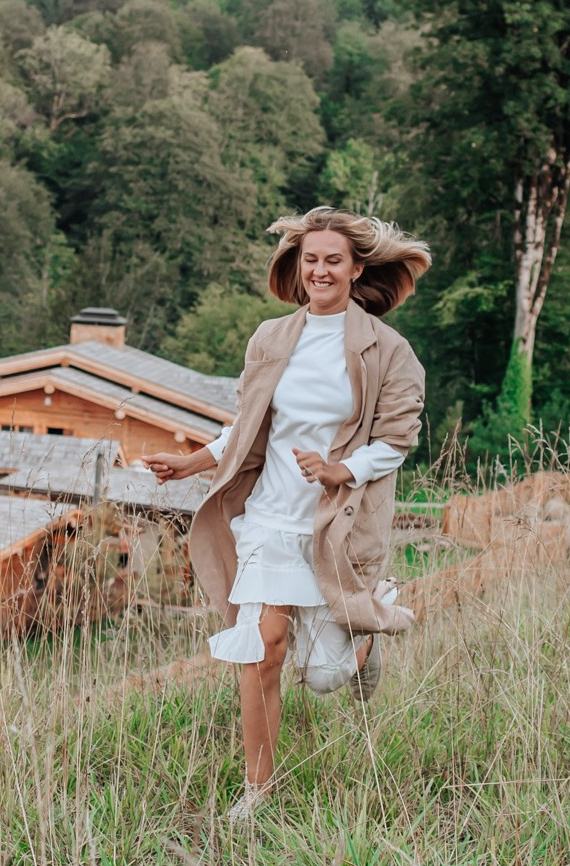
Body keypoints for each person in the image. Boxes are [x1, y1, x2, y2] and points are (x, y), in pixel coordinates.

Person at [147, 206, 430, 821]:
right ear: (297, 268)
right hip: (271, 518)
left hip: (333, 525)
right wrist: (191, 463)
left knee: (326, 678)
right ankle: (257, 791)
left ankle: (364, 632)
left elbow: (398, 439)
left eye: (334, 260)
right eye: (311, 260)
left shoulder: (389, 351)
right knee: (263, 647)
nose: (321, 271)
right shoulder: (271, 338)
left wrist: (339, 470)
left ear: (357, 269)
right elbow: (249, 423)